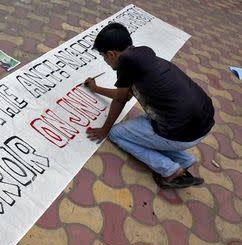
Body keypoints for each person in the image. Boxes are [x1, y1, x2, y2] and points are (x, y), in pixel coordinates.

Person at [85, 23, 214, 189]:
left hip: (181, 133)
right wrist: (95, 89)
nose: (106, 62)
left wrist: (105, 130)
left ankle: (170, 171)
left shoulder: (125, 64)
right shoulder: (142, 55)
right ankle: (183, 159)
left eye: (104, 57)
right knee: (141, 124)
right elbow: (123, 95)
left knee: (117, 134)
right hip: (200, 124)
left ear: (111, 54)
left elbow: (120, 100)